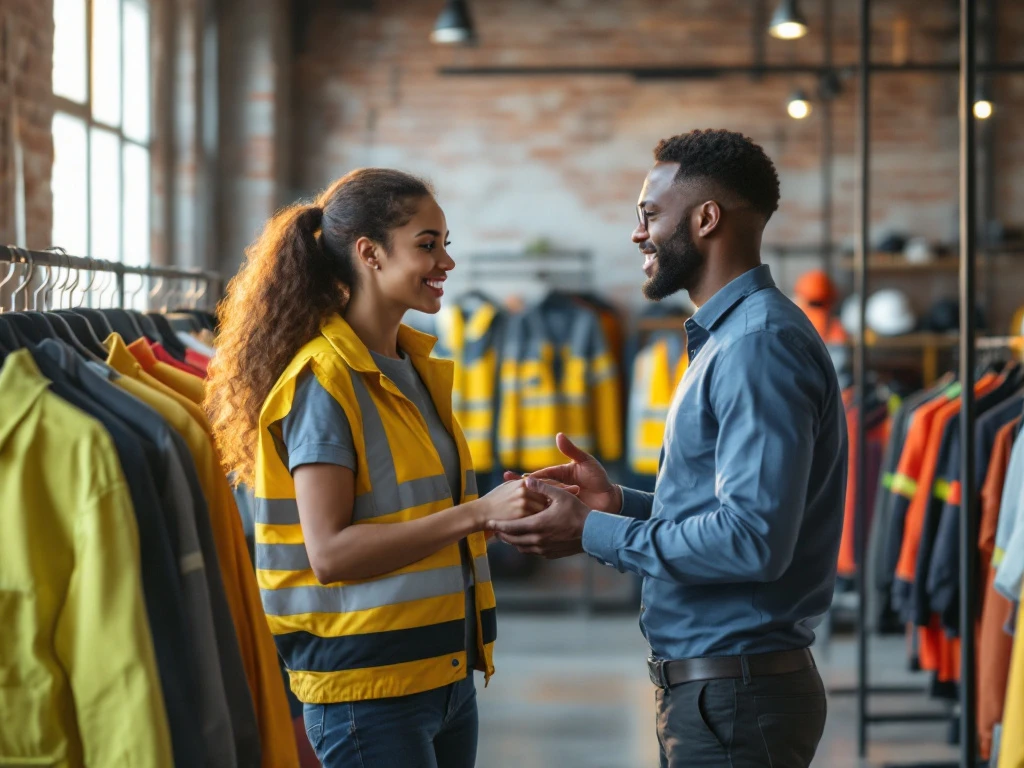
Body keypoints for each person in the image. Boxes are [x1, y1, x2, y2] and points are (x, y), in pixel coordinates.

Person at [491, 129, 848, 767]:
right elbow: (723, 508)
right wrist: (619, 504)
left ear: (707, 219)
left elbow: (753, 539)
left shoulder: (755, 346)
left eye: (649, 214)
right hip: (723, 693)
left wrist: (594, 531)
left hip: (737, 697)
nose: (637, 233)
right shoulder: (730, 339)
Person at [207, 168, 552, 768]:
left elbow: (414, 509)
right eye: (427, 244)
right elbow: (331, 553)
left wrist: (500, 512)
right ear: (369, 252)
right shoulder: (324, 382)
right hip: (367, 694)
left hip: (442, 678)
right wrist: (474, 514)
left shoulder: (414, 367)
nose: (446, 261)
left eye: (446, 244)